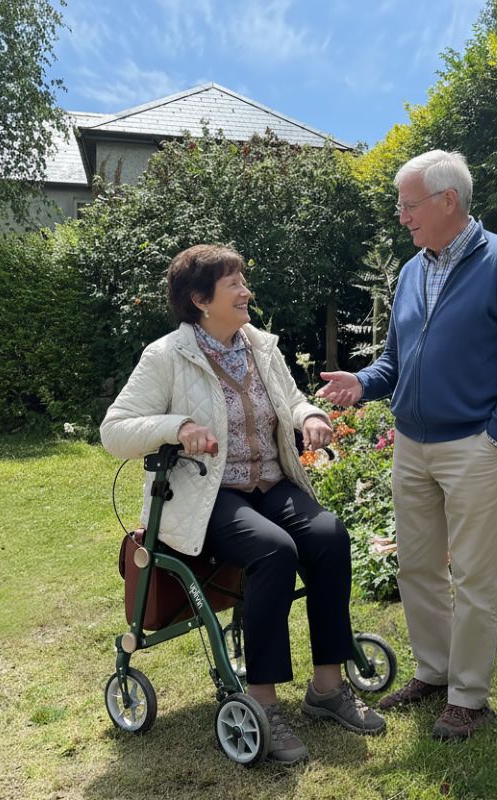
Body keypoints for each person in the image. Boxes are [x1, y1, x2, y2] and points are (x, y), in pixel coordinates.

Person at [101, 244, 385, 765]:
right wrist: (178, 427)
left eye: (242, 281)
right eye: (233, 284)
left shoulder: (260, 346)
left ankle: (327, 688)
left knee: (329, 537)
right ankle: (263, 701)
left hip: (269, 484)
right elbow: (114, 430)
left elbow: (290, 400)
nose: (245, 292)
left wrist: (309, 416)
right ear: (200, 300)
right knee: (274, 550)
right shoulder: (167, 356)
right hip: (207, 494)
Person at [318, 150, 497, 740]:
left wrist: (495, 437)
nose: (402, 217)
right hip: (411, 444)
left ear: (449, 201)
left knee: (474, 576)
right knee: (417, 565)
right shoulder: (411, 271)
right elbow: (394, 360)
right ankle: (434, 671)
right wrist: (362, 383)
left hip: (473, 446)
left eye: (409, 205)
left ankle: (468, 696)